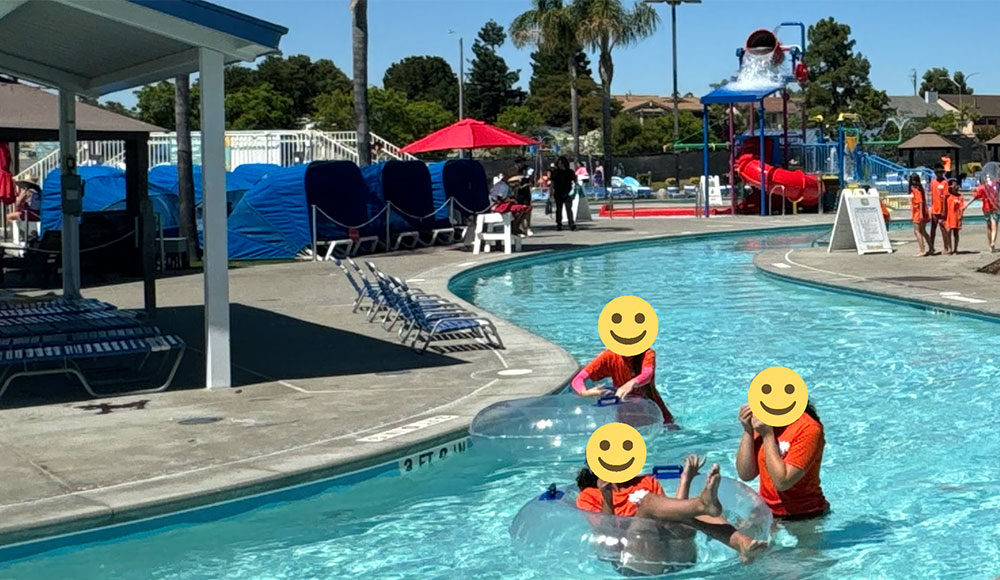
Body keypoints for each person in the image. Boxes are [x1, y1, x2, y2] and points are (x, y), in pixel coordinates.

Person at [576, 456, 767, 574]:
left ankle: (741, 543)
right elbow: (605, 534)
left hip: (676, 556)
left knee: (687, 512)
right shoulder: (589, 495)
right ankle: (703, 504)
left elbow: (673, 513)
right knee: (649, 503)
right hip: (635, 562)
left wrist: (686, 479)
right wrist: (607, 498)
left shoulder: (646, 482)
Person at [736, 403, 829, 520]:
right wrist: (748, 430)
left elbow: (783, 483)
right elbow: (746, 474)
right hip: (767, 511)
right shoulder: (764, 421)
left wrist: (768, 435)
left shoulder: (808, 428)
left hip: (805, 515)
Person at [571, 348, 673, 424]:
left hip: (656, 414)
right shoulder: (609, 356)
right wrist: (584, 392)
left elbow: (648, 374)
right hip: (626, 415)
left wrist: (631, 384)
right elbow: (578, 379)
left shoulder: (647, 354)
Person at [972, 177, 999, 252]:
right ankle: (993, 242)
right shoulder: (995, 185)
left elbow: (976, 196)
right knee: (995, 225)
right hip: (995, 206)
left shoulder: (982, 187)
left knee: (989, 226)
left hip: (986, 208)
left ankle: (990, 244)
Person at [550, 156, 577, 232]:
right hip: (558, 192)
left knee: (569, 209)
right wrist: (550, 193)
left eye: (561, 163)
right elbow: (552, 183)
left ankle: (571, 224)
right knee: (559, 209)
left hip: (568, 192)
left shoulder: (570, 172)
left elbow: (575, 181)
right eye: (559, 163)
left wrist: (574, 189)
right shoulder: (555, 172)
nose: (560, 165)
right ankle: (559, 224)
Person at [928, 165, 950, 255]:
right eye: (937, 173)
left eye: (941, 173)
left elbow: (945, 198)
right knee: (932, 229)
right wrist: (930, 208)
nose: (939, 174)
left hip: (942, 209)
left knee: (943, 229)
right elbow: (932, 197)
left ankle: (946, 247)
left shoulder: (945, 183)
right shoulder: (933, 182)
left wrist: (944, 210)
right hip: (934, 209)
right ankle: (931, 247)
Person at [508, 157, 533, 236]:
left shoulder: (528, 170)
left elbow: (532, 182)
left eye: (523, 162)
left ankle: (527, 228)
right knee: (517, 212)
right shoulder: (512, 170)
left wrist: (526, 184)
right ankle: (517, 228)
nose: (521, 164)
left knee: (527, 210)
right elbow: (508, 182)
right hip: (516, 193)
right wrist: (515, 185)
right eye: (520, 163)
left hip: (525, 192)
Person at [944, 178, 967, 255]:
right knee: (948, 232)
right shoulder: (948, 195)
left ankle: (955, 249)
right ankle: (950, 248)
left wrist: (961, 215)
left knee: (956, 233)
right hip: (949, 217)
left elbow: (962, 207)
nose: (956, 187)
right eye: (954, 185)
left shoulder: (960, 196)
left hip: (956, 217)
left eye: (956, 185)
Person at [909, 174, 930, 256]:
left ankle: (922, 250)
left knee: (917, 231)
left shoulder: (915, 190)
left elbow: (920, 202)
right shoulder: (920, 189)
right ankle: (930, 247)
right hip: (919, 212)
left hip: (918, 213)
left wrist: (920, 214)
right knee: (923, 231)